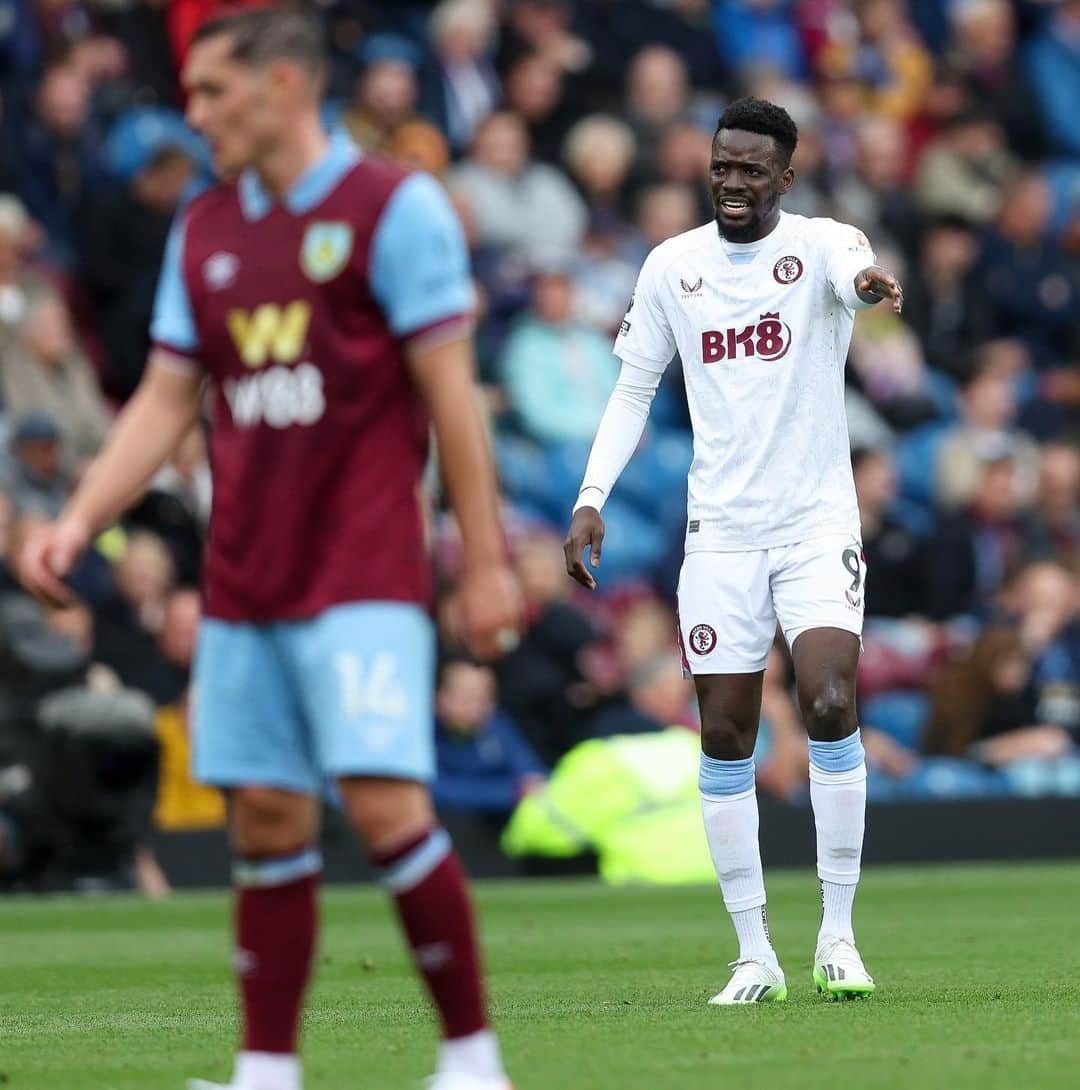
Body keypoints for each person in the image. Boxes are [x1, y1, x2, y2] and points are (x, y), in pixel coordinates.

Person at [17, 11, 520, 1090]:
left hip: (363, 565)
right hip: (244, 572)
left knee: (384, 804)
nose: (194, 115)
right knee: (267, 813)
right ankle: (266, 1070)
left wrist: (483, 562)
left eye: (211, 92)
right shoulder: (202, 228)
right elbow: (163, 398)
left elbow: (453, 399)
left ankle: (473, 1060)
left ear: (282, 84)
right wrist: (78, 519)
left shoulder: (395, 209)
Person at [565, 97, 904, 1005]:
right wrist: (591, 500)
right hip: (720, 535)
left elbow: (856, 270)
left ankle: (837, 932)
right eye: (723, 165)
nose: (733, 182)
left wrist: (871, 286)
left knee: (829, 700)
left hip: (814, 524)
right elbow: (634, 389)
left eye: (753, 169)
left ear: (785, 178)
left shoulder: (824, 245)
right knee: (723, 733)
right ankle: (754, 953)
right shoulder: (674, 268)